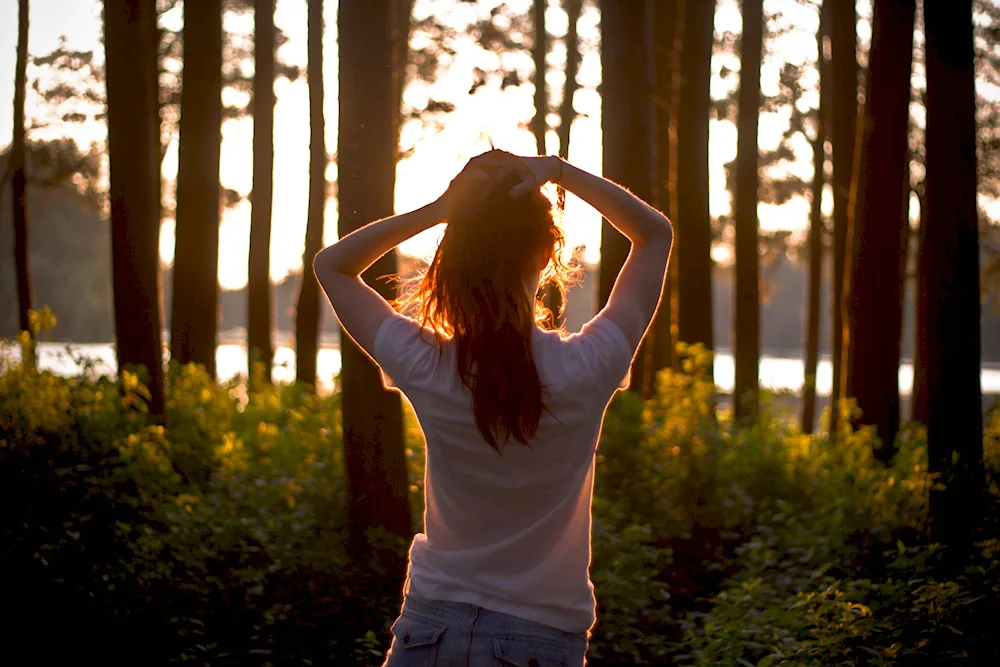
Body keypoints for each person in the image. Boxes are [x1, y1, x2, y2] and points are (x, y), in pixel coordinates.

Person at [313, 150, 672, 666]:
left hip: (428, 631)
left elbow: (333, 266)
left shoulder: (429, 363)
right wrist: (558, 170)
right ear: (548, 253)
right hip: (539, 641)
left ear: (456, 258)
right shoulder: (588, 367)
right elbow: (653, 233)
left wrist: (441, 210)